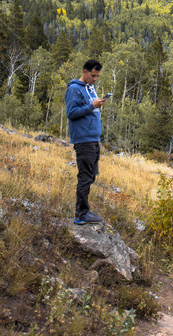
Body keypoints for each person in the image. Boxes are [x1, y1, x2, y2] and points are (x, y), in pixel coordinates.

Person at [65, 59, 108, 224]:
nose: (95, 79)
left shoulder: (90, 88)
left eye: (97, 76)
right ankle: (81, 214)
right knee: (85, 176)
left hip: (93, 138)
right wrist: (92, 106)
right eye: (93, 75)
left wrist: (96, 105)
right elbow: (72, 113)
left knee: (90, 176)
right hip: (84, 140)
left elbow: (89, 107)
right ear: (85, 71)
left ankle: (84, 211)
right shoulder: (74, 89)